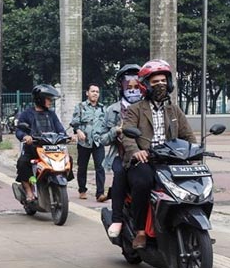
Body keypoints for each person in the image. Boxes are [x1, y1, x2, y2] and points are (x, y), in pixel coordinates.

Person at [122, 59, 196, 249]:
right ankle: (140, 231)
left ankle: (188, 224)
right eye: (155, 82)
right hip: (145, 160)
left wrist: (195, 153)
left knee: (191, 183)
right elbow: (127, 135)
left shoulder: (174, 110)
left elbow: (187, 135)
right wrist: (136, 152)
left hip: (170, 160)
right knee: (143, 182)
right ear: (146, 85)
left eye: (163, 81)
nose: (161, 84)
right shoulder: (135, 109)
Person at [99, 64, 142, 238]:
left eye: (136, 87)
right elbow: (100, 138)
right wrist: (115, 131)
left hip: (148, 154)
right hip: (121, 155)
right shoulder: (112, 110)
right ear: (121, 87)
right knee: (120, 178)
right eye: (128, 87)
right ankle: (117, 219)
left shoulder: (147, 107)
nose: (132, 90)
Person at [15, 84, 77, 203]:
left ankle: (59, 183)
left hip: (52, 148)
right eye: (48, 99)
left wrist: (68, 137)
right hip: (34, 148)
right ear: (40, 98)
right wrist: (25, 136)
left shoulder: (51, 114)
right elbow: (19, 130)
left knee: (68, 159)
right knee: (22, 162)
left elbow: (60, 129)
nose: (50, 102)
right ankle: (28, 190)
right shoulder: (27, 114)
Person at [71, 83, 108, 201]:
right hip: (84, 142)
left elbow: (106, 124)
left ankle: (100, 193)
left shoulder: (103, 108)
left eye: (97, 92)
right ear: (87, 93)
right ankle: (82, 190)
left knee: (100, 167)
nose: (95, 94)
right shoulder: (80, 107)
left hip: (98, 142)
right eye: (93, 91)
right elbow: (75, 122)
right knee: (82, 167)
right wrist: (78, 131)